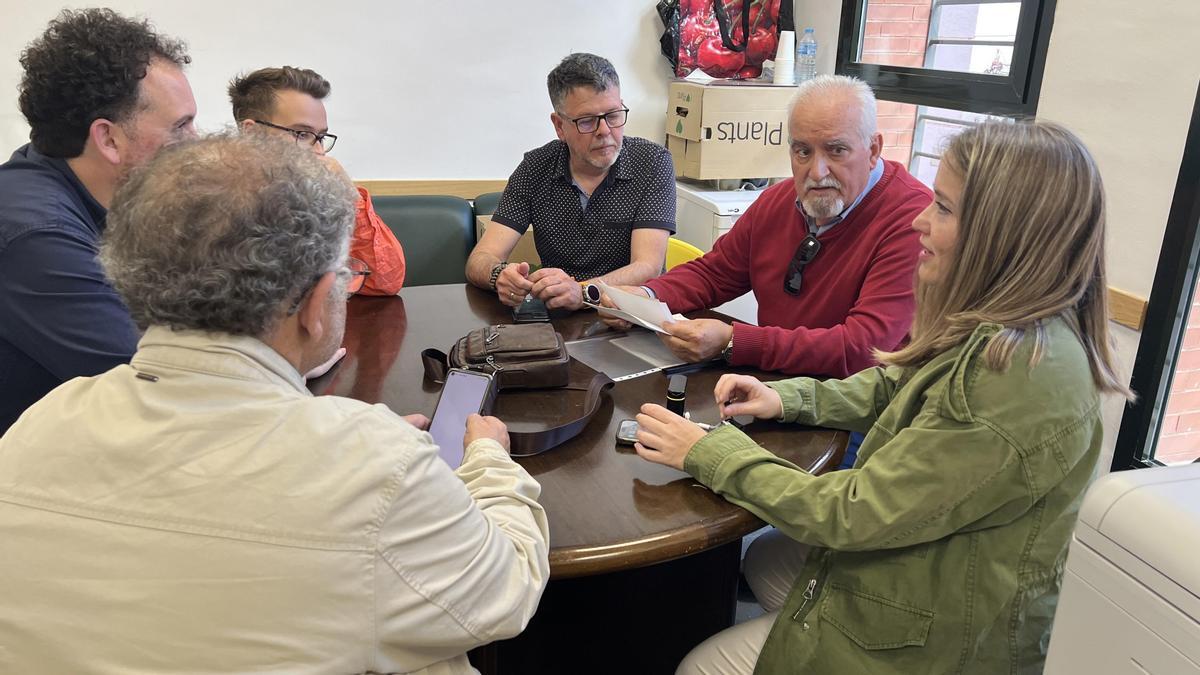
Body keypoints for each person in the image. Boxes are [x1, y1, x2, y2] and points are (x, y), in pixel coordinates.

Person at [0, 133, 549, 674]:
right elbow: (506, 590)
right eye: (346, 279)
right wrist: (488, 461)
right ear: (315, 304)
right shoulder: (375, 466)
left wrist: (374, 458)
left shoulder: (38, 425)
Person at [633, 120, 1135, 674]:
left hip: (948, 632)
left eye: (942, 208)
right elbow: (896, 379)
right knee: (768, 559)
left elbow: (850, 512)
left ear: (1004, 232)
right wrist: (786, 399)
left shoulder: (1019, 375)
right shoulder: (1002, 321)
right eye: (802, 149)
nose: (923, 218)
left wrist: (708, 452)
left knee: (700, 664)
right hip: (935, 558)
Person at [605, 75, 931, 378]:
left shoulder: (913, 219)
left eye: (836, 150)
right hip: (776, 383)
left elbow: (862, 350)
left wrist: (735, 341)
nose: (817, 172)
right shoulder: (777, 201)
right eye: (802, 151)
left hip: (859, 408)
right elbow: (716, 272)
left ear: (873, 150)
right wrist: (646, 296)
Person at [0, 8, 197, 434]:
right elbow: (157, 385)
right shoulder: (35, 235)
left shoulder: (117, 195)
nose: (194, 142)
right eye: (181, 126)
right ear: (108, 138)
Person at [466, 52, 676, 311]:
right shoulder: (536, 168)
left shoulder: (652, 162)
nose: (604, 131)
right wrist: (499, 276)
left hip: (631, 316)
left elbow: (647, 267)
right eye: (586, 121)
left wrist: (582, 291)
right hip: (560, 319)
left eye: (613, 115)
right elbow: (479, 259)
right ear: (559, 126)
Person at [229, 65, 407, 295]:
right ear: (252, 134)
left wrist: (348, 196)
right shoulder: (213, 199)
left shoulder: (317, 196)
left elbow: (383, 283)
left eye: (321, 137)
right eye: (301, 134)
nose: (319, 152)